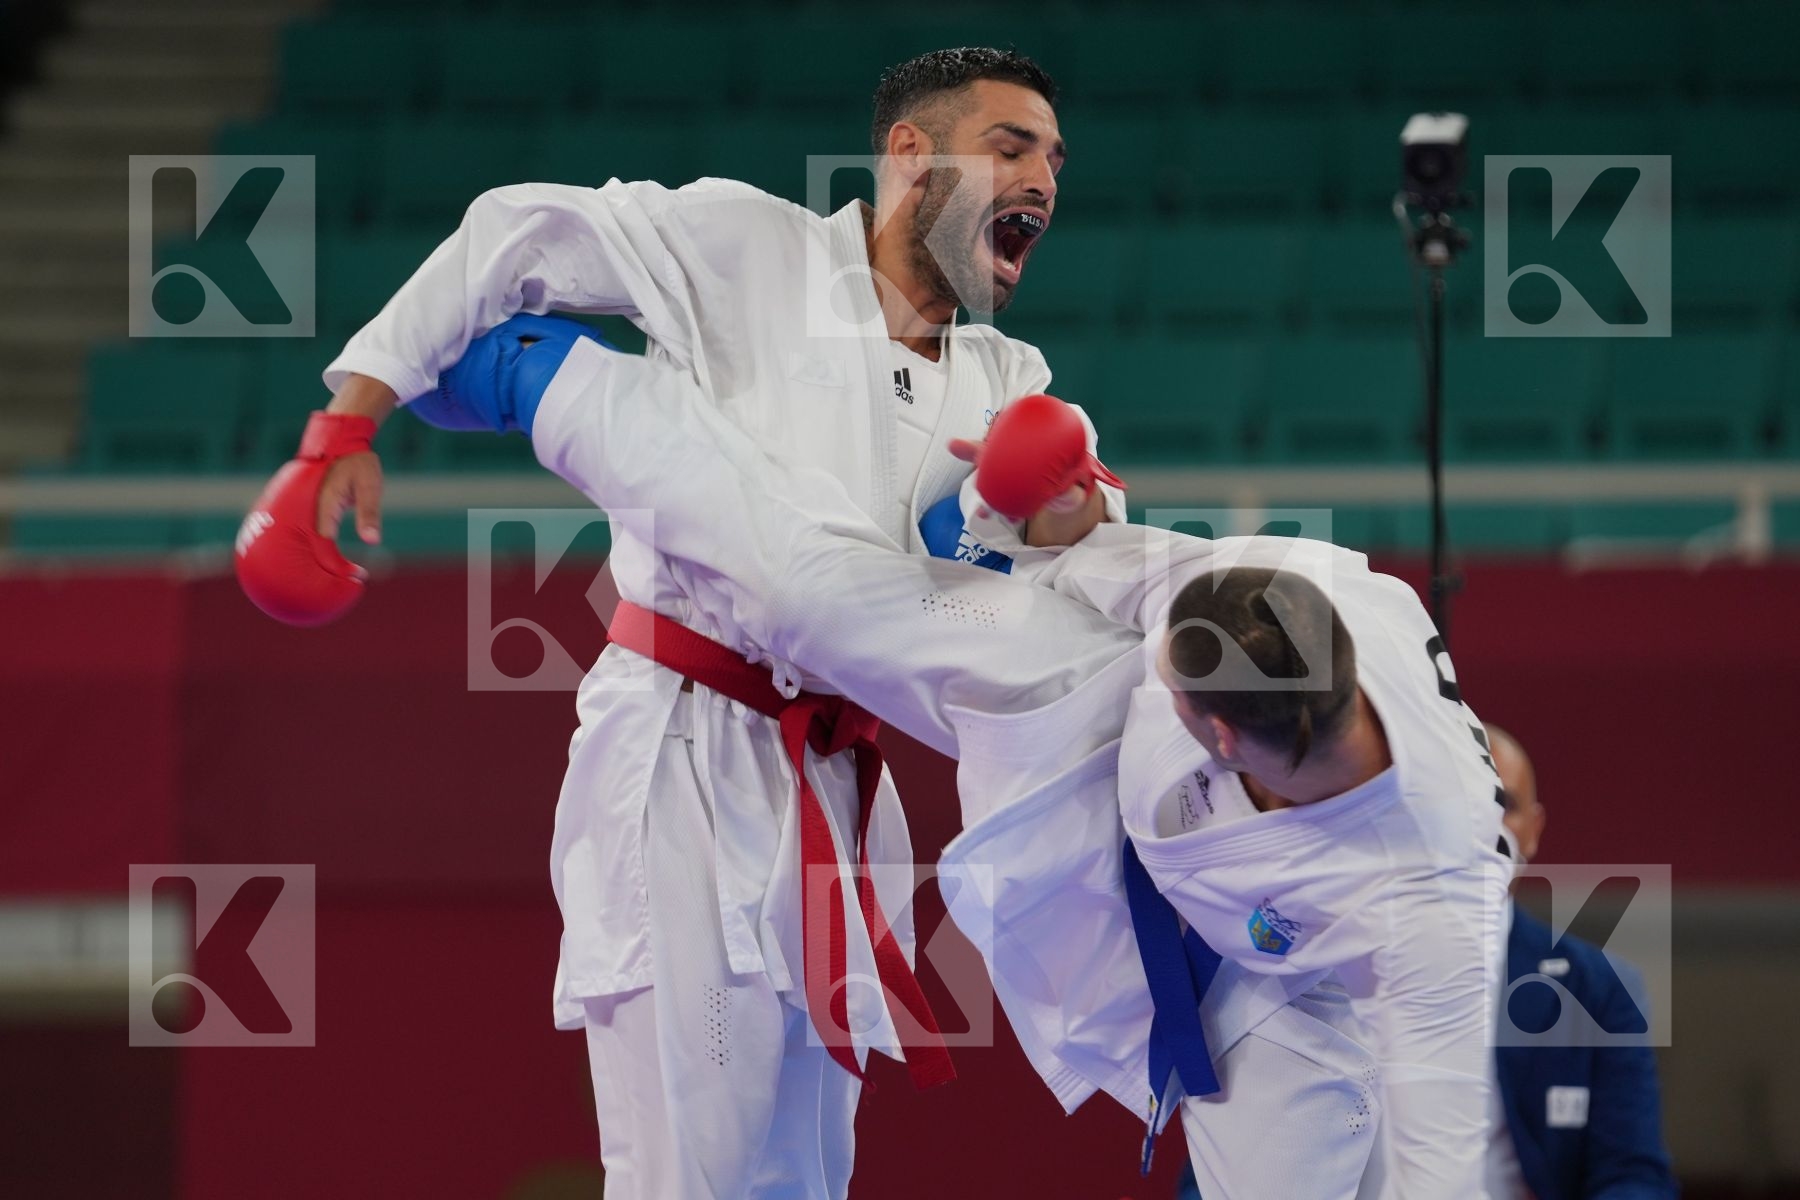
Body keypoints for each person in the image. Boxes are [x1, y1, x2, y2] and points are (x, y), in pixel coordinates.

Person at [237, 48, 1124, 1200]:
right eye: (1012, 148)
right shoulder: (754, 250)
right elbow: (517, 229)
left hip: (837, 782)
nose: (1044, 178)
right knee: (687, 1175)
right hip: (684, 756)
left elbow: (985, 582)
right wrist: (344, 428)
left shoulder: (1014, 375)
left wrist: (1052, 518)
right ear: (912, 156)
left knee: (800, 1177)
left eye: (1055, 159)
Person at [426, 317, 1517, 1197]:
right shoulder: (1297, 593)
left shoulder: (1435, 901)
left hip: (1275, 986)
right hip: (1079, 715)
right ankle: (543, 377)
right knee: (822, 599)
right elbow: (1114, 565)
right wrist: (1031, 512)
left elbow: (1444, 1148)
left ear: (1221, 740)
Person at [1484, 726, 1678, 1200]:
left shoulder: (1600, 989)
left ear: (1534, 830)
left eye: (1503, 804)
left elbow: (1633, 1174)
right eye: (1466, 804)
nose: (1483, 824)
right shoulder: (1342, 966)